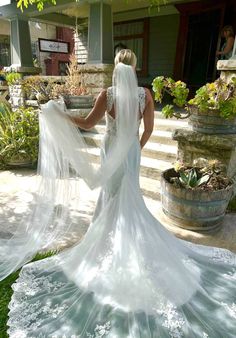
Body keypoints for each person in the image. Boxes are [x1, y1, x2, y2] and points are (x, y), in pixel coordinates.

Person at [4, 50, 236, 337]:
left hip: (111, 149)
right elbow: (149, 128)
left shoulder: (107, 95)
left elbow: (88, 124)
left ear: (115, 67)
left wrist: (61, 115)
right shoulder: (145, 95)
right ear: (136, 67)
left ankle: (104, 241)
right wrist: (136, 147)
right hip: (130, 154)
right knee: (129, 197)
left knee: (113, 196)